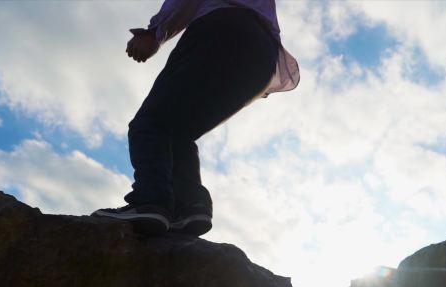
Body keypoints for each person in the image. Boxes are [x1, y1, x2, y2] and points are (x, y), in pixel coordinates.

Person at [93, 0, 299, 236]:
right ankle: (191, 207)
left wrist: (155, 33)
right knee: (179, 134)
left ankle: (150, 201)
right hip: (264, 57)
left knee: (150, 124)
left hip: (222, 30)